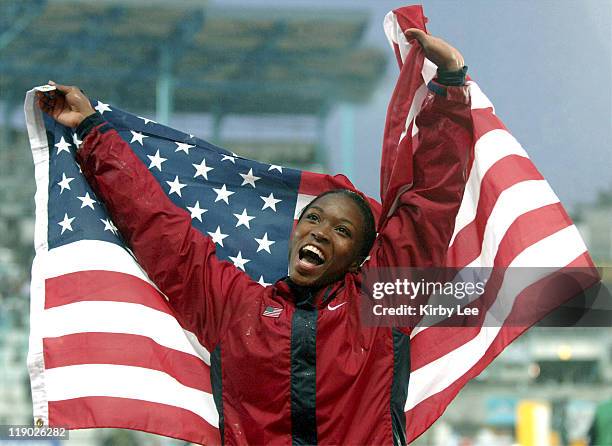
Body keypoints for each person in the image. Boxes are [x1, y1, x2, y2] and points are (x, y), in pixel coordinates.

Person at [37, 29, 473, 446]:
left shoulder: (379, 303)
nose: (320, 232)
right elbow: (159, 228)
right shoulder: (233, 308)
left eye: (342, 231)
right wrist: (93, 132)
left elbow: (434, 201)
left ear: (360, 259)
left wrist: (451, 83)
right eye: (314, 218)